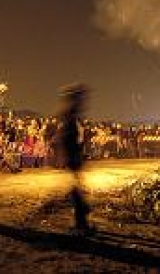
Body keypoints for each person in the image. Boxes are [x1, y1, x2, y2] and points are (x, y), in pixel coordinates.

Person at [55, 83, 94, 235]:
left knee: (75, 188)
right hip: (73, 155)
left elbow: (68, 136)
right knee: (75, 187)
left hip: (73, 156)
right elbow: (71, 136)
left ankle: (82, 220)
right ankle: (82, 217)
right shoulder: (72, 113)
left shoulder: (69, 114)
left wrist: (66, 155)